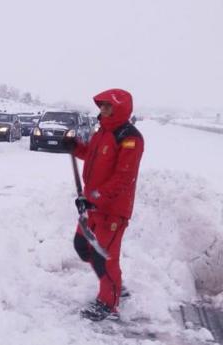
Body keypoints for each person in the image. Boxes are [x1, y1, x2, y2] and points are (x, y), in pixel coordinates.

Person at [67, 88, 144, 321]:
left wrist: (94, 198)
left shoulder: (130, 137)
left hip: (112, 210)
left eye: (107, 105)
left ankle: (108, 302)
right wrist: (75, 146)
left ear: (120, 107)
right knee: (82, 246)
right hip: (92, 206)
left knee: (104, 257)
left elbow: (123, 177)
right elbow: (91, 155)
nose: (102, 109)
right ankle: (113, 281)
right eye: (101, 105)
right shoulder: (102, 132)